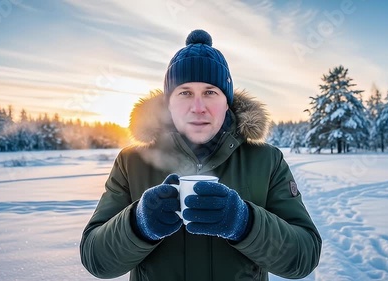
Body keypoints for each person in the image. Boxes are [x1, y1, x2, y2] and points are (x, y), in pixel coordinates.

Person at [80, 29, 322, 281]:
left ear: (226, 102)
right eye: (184, 92)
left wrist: (244, 223)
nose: (198, 108)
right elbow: (96, 260)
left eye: (210, 92)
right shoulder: (131, 162)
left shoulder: (266, 161)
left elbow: (303, 258)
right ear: (168, 103)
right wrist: (138, 224)